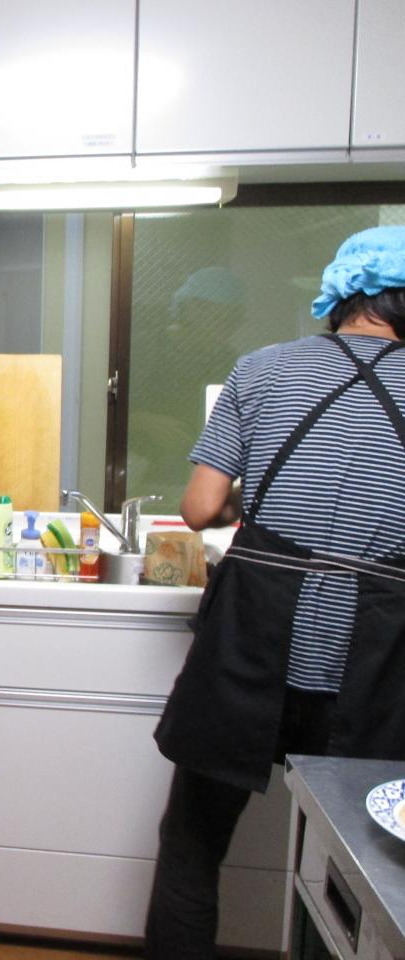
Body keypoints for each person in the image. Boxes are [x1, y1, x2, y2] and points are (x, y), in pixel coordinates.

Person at [144, 225, 405, 959]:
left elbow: (200, 508)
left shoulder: (262, 368)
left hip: (252, 639)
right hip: (372, 658)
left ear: (342, 292)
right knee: (352, 867)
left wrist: (257, 501)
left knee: (193, 842)